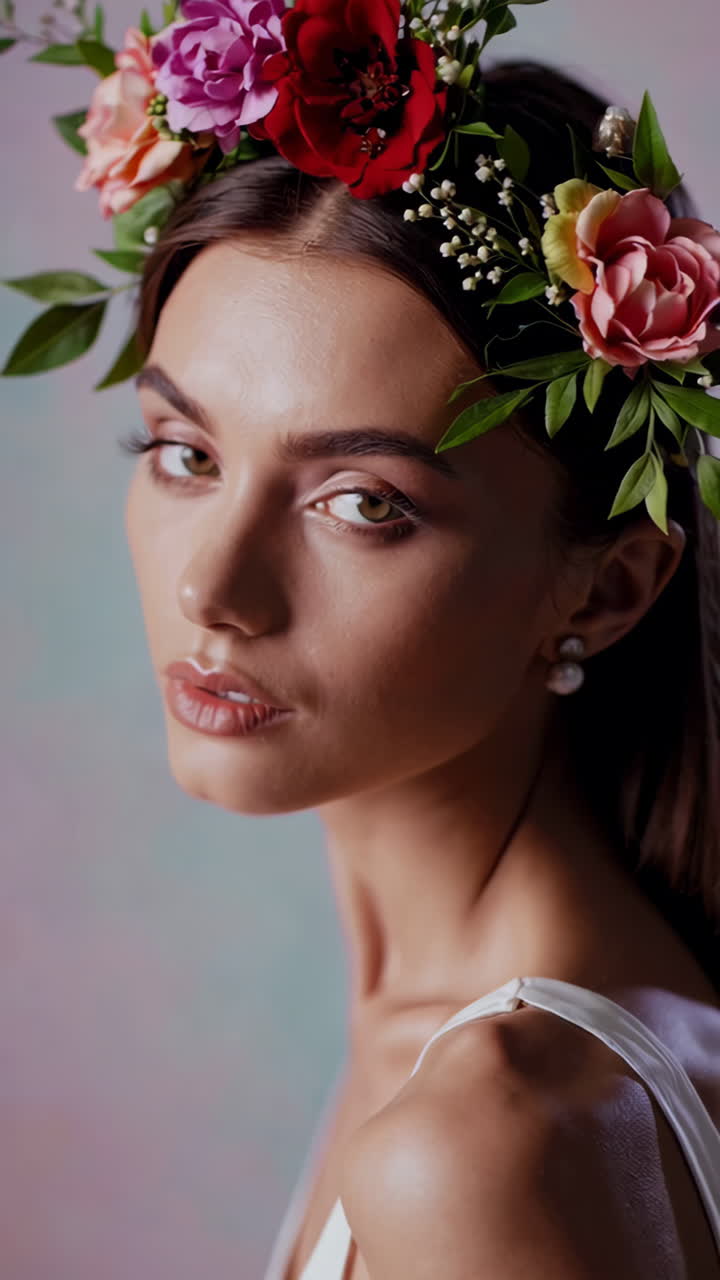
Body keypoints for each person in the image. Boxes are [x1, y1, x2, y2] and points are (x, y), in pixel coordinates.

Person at [3, 2, 720, 1275]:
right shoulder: (500, 1041)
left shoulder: (480, 1144)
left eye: (363, 502)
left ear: (604, 590)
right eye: (185, 454)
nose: (216, 588)